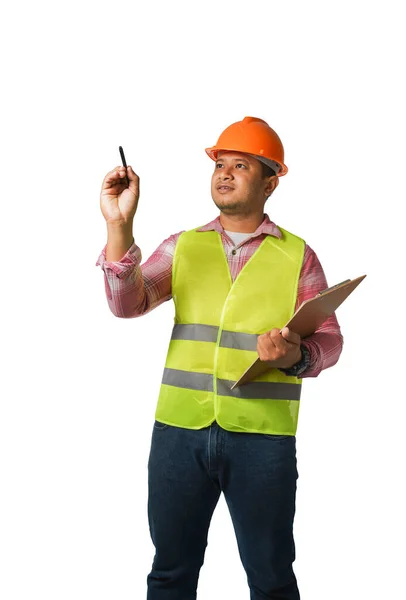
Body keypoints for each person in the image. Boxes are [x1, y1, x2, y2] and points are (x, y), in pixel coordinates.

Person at [96, 116, 343, 600]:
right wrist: (119, 227)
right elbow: (125, 304)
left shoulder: (298, 256)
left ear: (271, 183)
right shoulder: (182, 246)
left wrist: (297, 356)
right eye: (221, 164)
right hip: (178, 435)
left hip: (263, 440)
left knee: (271, 578)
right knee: (169, 573)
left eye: (242, 165)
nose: (225, 173)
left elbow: (330, 339)